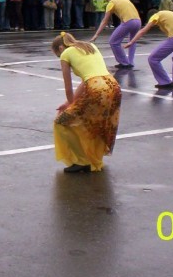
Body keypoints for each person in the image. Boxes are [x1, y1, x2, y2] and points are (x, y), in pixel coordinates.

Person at [51, 32, 121, 173]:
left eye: (58, 55)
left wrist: (71, 104)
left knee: (61, 123)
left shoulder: (66, 54)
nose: (60, 57)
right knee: (96, 124)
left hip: (96, 88)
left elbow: (68, 88)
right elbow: (87, 79)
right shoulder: (90, 47)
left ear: (60, 48)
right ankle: (94, 157)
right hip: (113, 85)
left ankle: (82, 161)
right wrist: (69, 103)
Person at [127, 10, 173, 89]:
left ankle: (165, 82)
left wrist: (132, 42)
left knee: (153, 59)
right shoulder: (171, 14)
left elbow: (143, 31)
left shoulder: (156, 15)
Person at [90, 0, 142, 69]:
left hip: (128, 22)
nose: (107, 2)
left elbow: (105, 21)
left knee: (113, 42)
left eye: (107, 0)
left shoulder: (112, 2)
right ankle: (130, 62)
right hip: (138, 21)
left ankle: (124, 63)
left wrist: (96, 34)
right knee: (132, 41)